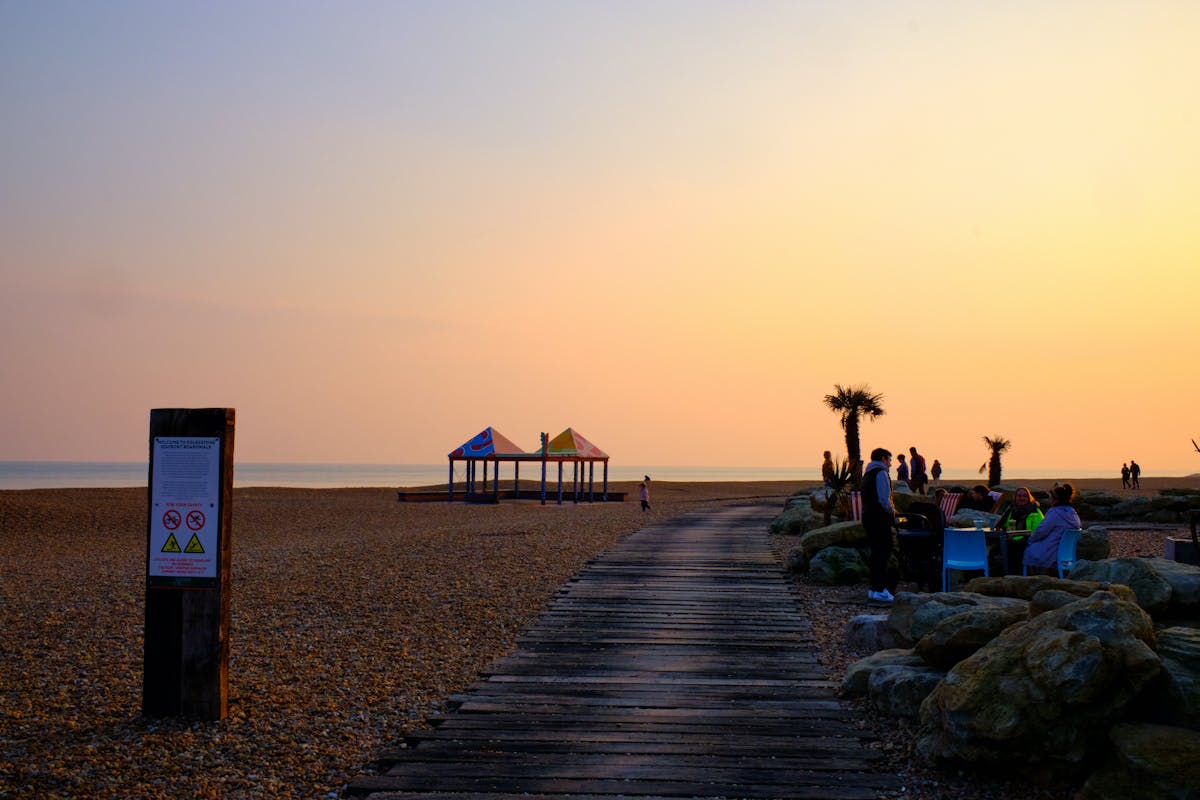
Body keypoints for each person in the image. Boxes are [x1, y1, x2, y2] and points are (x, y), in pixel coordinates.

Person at [861, 447, 896, 603]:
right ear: (883, 459)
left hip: (868, 517)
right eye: (889, 460)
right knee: (883, 552)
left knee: (876, 553)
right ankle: (880, 589)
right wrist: (892, 513)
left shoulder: (868, 473)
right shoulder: (881, 473)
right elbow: (883, 499)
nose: (890, 464)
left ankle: (874, 589)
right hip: (879, 519)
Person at [1023, 483, 1082, 573]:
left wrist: (1030, 539)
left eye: (1050, 497)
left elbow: (1041, 531)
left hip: (1051, 552)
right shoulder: (1073, 513)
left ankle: (1027, 578)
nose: (1049, 500)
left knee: (1025, 549)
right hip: (1066, 554)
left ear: (1055, 500)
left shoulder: (1054, 512)